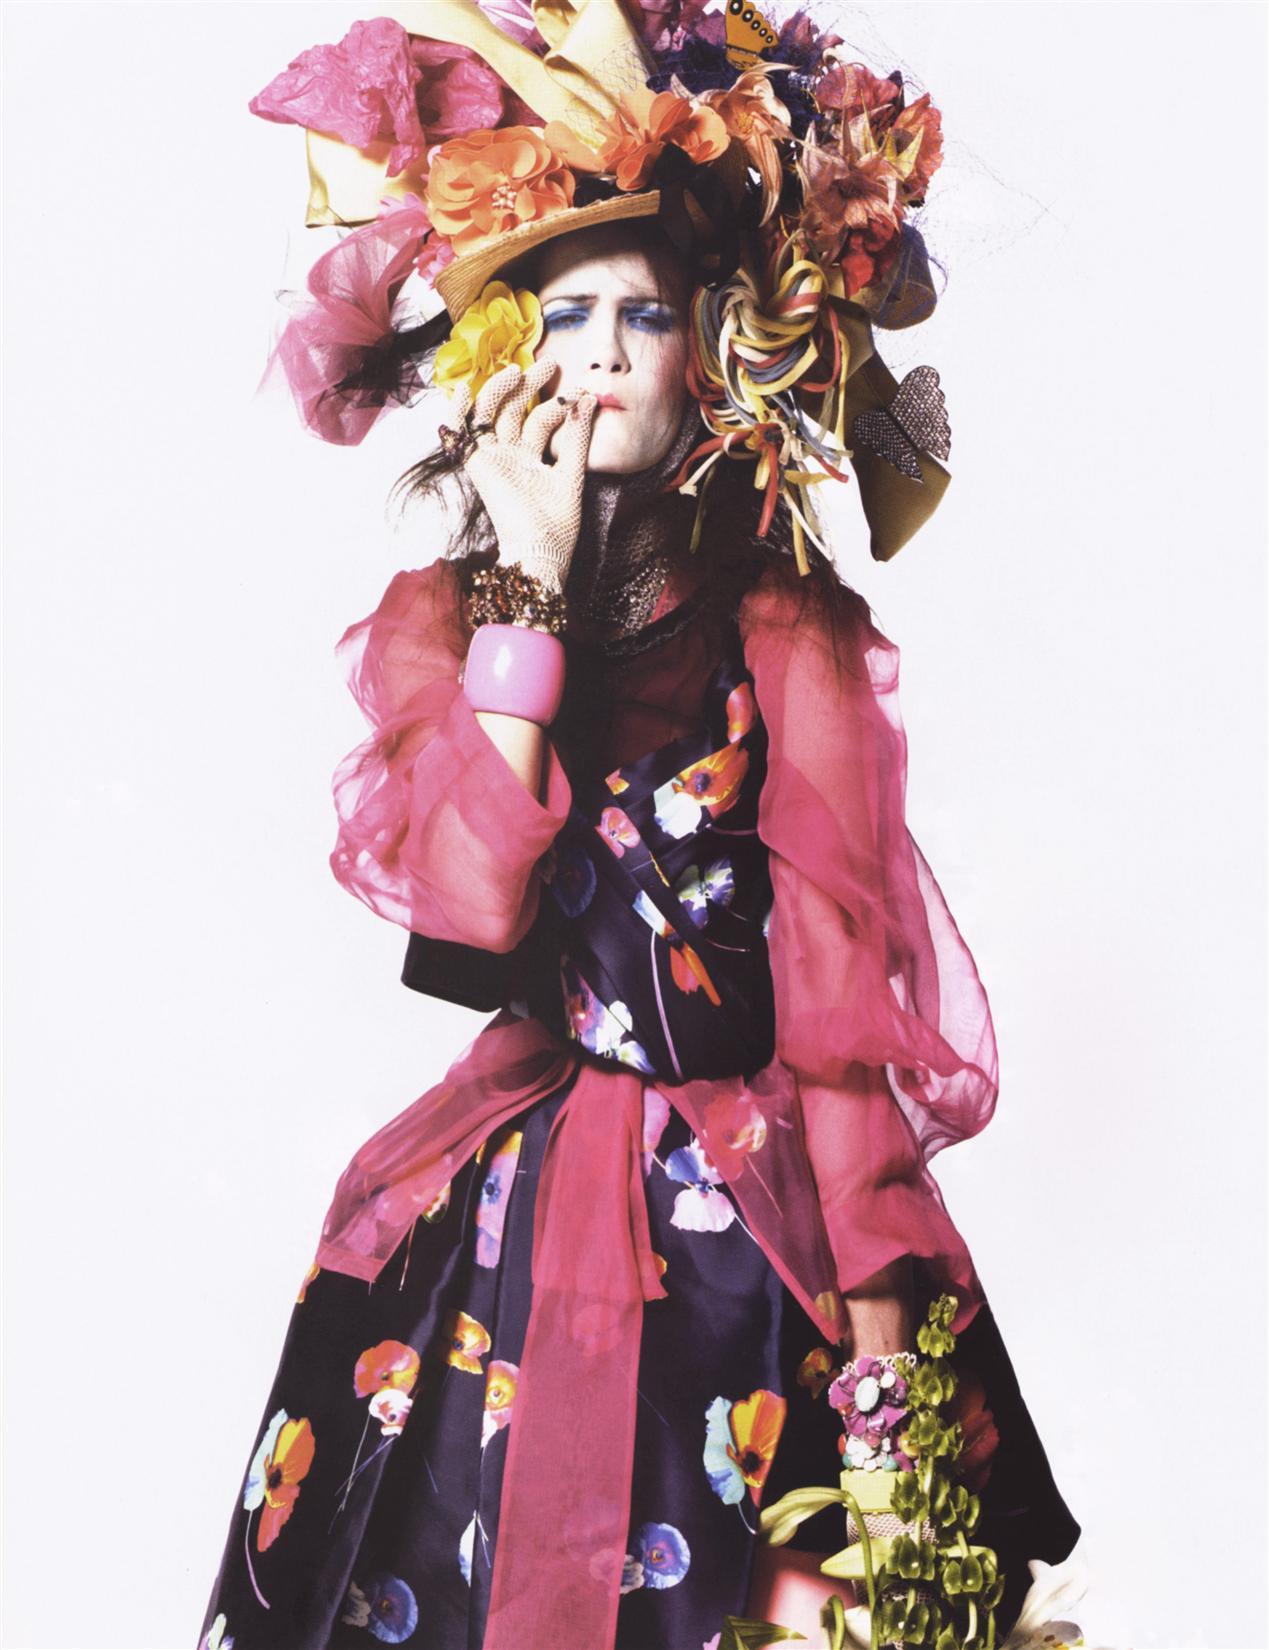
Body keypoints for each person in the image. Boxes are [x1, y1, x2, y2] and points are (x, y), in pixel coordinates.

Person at [201, 7, 1081, 1649]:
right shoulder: (449, 617)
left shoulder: (786, 631)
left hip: (748, 1237)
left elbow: (841, 1032)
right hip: (513, 1213)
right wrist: (529, 587)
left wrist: (885, 1381)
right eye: (565, 313)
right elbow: (463, 929)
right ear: (508, 354)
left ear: (714, 356)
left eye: (644, 314)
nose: (600, 351)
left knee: (804, 1599)